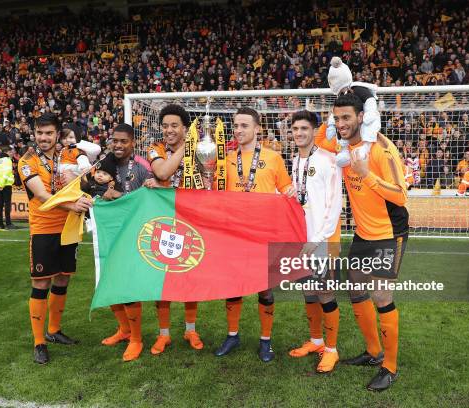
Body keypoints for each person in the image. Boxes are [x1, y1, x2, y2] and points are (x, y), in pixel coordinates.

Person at [331, 93, 409, 391]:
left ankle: (389, 367)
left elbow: (401, 196)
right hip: (363, 232)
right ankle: (373, 351)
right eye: (337, 118)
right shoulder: (345, 146)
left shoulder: (381, 149)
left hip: (389, 233)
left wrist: (367, 175)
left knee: (381, 297)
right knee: (354, 284)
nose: (341, 124)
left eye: (346, 117)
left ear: (361, 116)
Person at [214, 107, 294, 362]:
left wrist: (293, 193)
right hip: (234, 234)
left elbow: (286, 189)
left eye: (244, 125)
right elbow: (214, 193)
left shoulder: (273, 158)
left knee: (265, 290)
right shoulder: (224, 159)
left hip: (263, 234)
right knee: (233, 287)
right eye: (235, 125)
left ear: (258, 128)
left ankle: (266, 341)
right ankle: (232, 335)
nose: (238, 130)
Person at [17, 113, 92, 365]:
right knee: (41, 283)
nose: (44, 137)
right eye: (40, 133)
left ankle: (54, 330)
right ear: (34, 134)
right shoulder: (27, 161)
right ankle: (39, 342)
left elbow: (90, 163)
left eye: (49, 133)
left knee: (62, 278)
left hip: (68, 228)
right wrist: (73, 204)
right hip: (43, 229)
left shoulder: (67, 154)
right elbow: (40, 195)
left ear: (58, 134)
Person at [287, 110, 343, 373]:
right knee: (309, 292)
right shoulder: (295, 160)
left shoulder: (328, 160)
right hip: (303, 239)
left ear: (313, 131)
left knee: (325, 292)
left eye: (304, 129)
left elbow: (334, 204)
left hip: (323, 240)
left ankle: (331, 350)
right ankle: (316, 340)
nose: (299, 133)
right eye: (295, 129)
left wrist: (318, 238)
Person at [98, 123, 159, 362]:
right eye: (115, 140)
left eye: (123, 141)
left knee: (129, 288)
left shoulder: (143, 167)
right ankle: (123, 330)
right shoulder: (105, 163)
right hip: (110, 232)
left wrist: (119, 196)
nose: (118, 145)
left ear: (133, 142)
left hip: (134, 235)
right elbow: (91, 186)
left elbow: (152, 201)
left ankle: (136, 339)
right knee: (111, 283)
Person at [146, 104, 204, 355]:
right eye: (165, 126)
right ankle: (164, 334)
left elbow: (204, 184)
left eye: (174, 126)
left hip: (192, 221)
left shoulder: (201, 150)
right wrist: (187, 145)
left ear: (184, 127)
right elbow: (162, 170)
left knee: (190, 275)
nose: (168, 130)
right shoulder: (155, 149)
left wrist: (166, 189)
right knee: (162, 278)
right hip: (163, 221)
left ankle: (191, 329)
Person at [0, 146, 17, 229]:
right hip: (6, 184)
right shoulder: (7, 160)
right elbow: (6, 172)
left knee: (0, 203)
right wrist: (2, 184)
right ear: (7, 152)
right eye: (11, 151)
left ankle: (0, 224)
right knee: (7, 203)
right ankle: (8, 223)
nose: (12, 153)